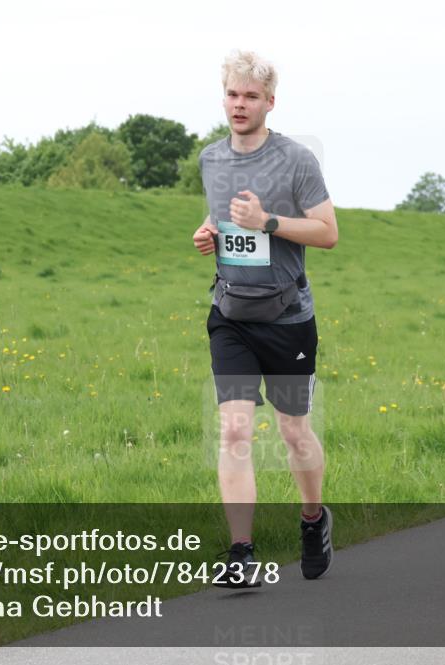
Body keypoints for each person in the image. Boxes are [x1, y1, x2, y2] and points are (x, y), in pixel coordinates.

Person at [191, 50, 338, 586]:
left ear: (270, 103)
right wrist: (208, 233)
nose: (239, 104)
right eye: (232, 94)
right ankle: (241, 555)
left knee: (294, 432)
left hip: (287, 318)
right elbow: (222, 213)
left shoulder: (297, 160)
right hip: (230, 312)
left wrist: (269, 222)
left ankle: (313, 517)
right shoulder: (210, 159)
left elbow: (327, 233)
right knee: (233, 429)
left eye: (251, 96)